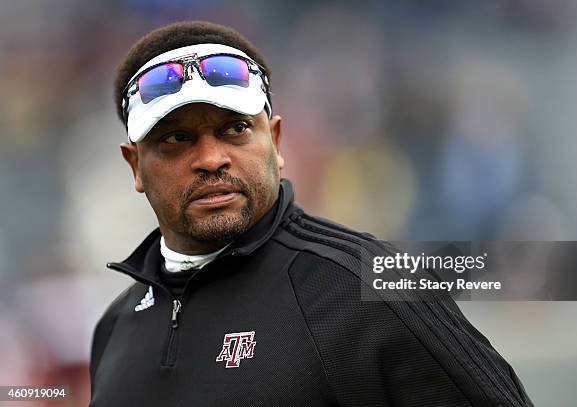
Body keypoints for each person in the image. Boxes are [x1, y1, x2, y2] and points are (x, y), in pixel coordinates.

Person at [89, 21, 533, 407]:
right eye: (177, 138)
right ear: (135, 166)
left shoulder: (369, 286)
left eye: (236, 129)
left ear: (276, 142)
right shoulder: (113, 329)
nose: (211, 158)